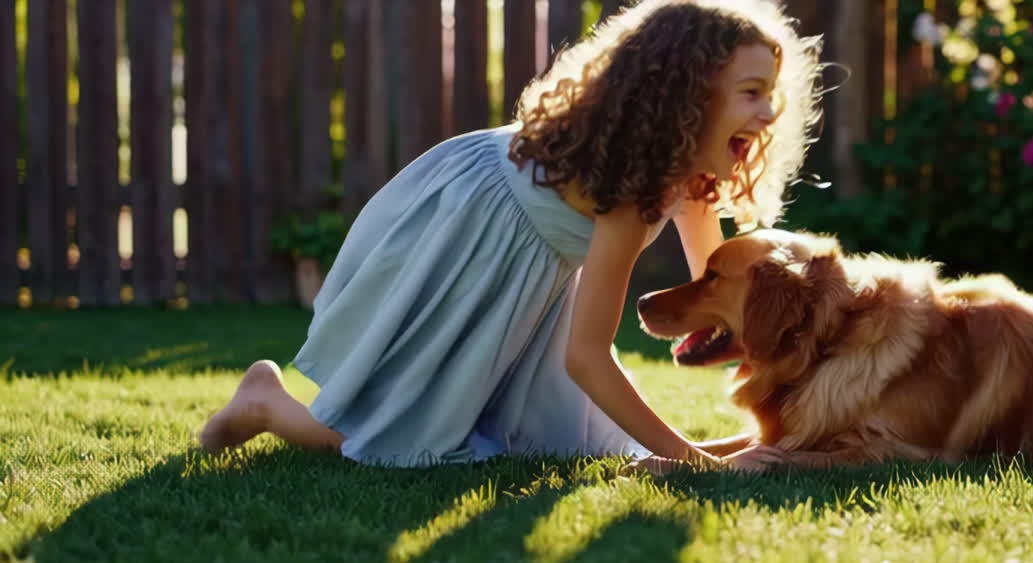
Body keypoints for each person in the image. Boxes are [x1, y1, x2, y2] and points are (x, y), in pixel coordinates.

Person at [198, 0, 824, 470]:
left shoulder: (691, 170)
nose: (769, 113)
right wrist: (698, 464)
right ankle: (266, 402)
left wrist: (799, 335)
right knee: (405, 442)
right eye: (750, 94)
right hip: (468, 234)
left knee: (531, 443)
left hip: (531, 253)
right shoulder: (632, 192)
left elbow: (715, 285)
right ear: (690, 96)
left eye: (771, 95)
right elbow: (587, 357)